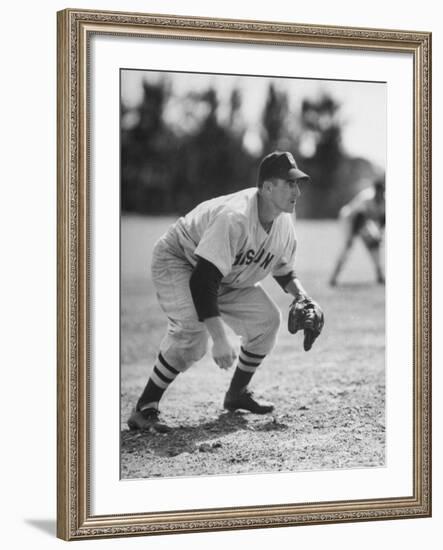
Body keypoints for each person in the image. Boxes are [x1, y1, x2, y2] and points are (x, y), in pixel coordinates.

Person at [128, 151, 322, 433]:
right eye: (290, 183)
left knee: (267, 320)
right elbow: (202, 280)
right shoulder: (236, 216)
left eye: (298, 184)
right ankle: (144, 407)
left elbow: (282, 269)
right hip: (182, 259)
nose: (297, 191)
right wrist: (219, 337)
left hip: (223, 274)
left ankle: (237, 395)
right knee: (194, 333)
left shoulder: (283, 223)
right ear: (267, 188)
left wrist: (302, 296)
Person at [329, 177, 386, 286]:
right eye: (379, 190)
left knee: (374, 245)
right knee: (347, 246)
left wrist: (379, 234)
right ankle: (334, 277)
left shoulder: (385, 200)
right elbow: (359, 218)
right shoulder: (367, 198)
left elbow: (384, 219)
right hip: (349, 219)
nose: (380, 193)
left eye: (382, 190)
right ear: (375, 190)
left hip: (364, 222)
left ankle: (379, 276)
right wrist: (352, 237)